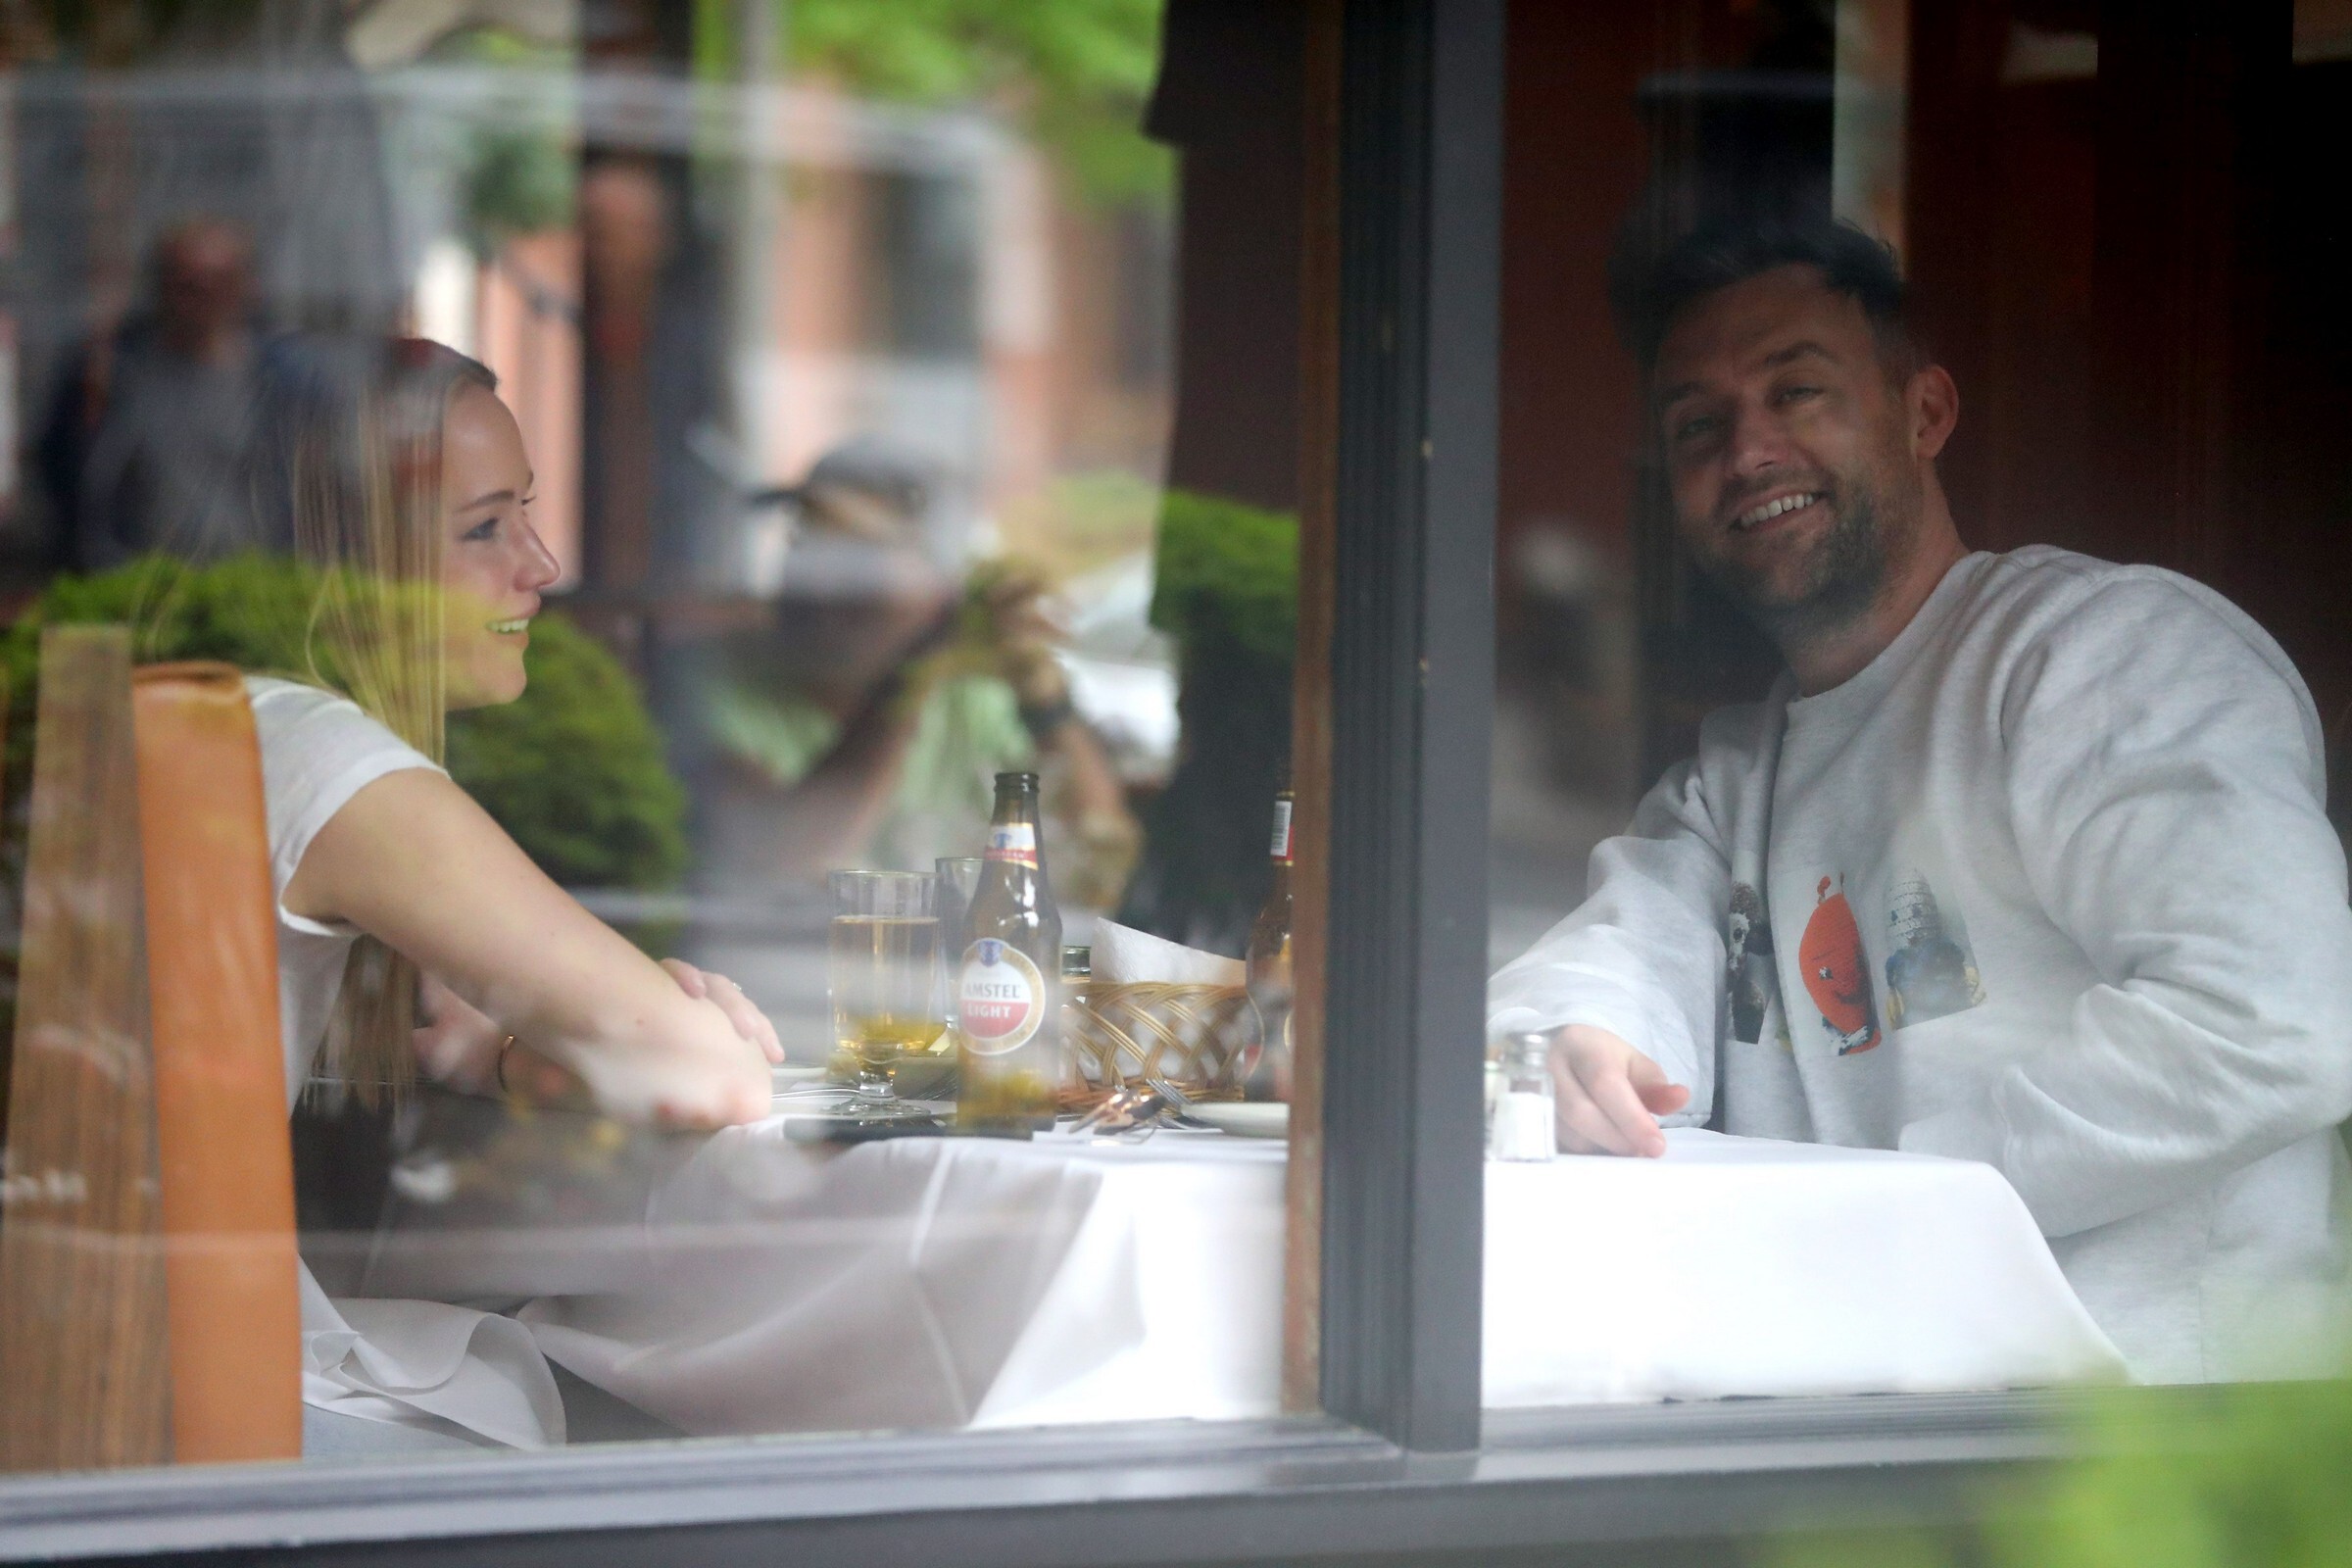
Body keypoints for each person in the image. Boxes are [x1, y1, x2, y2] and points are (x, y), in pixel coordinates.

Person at [1486, 218, 2352, 1383]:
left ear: (1925, 412)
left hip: (2159, 1438)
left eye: (1797, 390)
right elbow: (1601, 974)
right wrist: (1581, 1049)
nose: (1749, 451)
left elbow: (2277, 1020)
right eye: (1698, 425)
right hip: (1854, 1436)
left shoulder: (2102, 659)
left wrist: (1896, 1200)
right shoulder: (1732, 778)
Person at [226, 335, 777, 1449]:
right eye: (483, 529)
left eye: (523, 511)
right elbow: (706, 1077)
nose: (543, 563)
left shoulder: (224, 721)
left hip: (103, 1352)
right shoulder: (327, 766)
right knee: (674, 1410)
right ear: (355, 560)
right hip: (199, 1390)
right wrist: (597, 1040)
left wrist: (510, 1048)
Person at [707, 439, 1140, 906]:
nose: (815, 577)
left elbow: (1099, 854)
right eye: (801, 540)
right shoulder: (710, 684)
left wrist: (1045, 699)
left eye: (857, 556)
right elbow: (784, 863)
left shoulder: (972, 701)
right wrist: (916, 672)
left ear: (938, 587)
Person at [39, 216, 272, 570]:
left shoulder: (280, 385)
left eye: (219, 283)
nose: (202, 300)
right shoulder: (110, 379)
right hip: (135, 579)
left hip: (250, 580)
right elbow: (74, 484)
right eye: (188, 286)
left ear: (243, 287)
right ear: (162, 288)